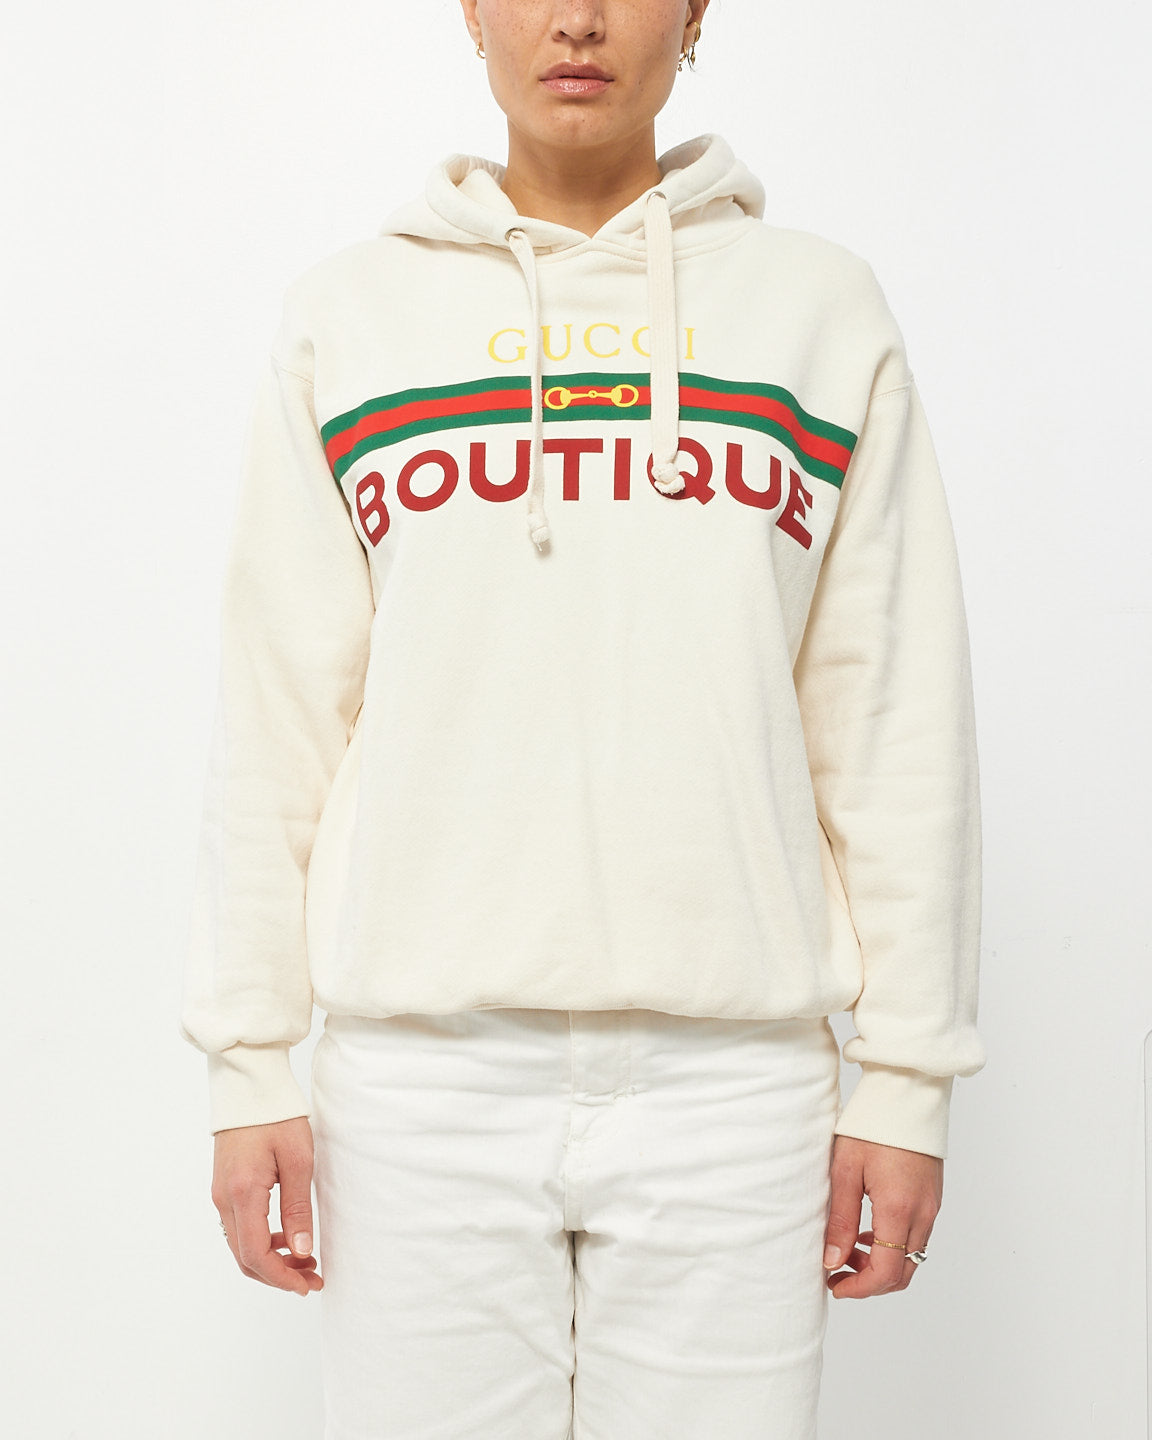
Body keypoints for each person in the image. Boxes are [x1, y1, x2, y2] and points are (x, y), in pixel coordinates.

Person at [179, 2, 987, 1435]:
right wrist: (248, 1064)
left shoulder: (817, 310)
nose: (576, 19)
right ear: (470, 12)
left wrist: (908, 1080)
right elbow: (280, 710)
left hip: (736, 1092)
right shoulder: (350, 316)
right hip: (420, 1084)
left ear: (696, 14)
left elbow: (890, 713)